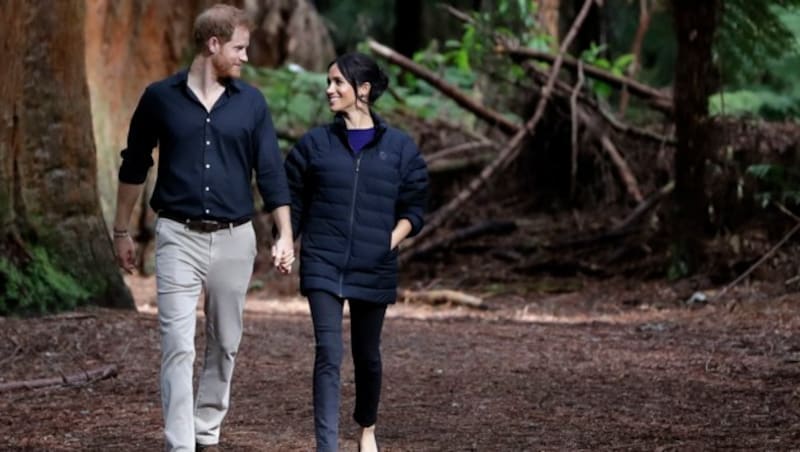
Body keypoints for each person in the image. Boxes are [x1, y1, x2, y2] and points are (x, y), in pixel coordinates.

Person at [111, 4, 294, 451]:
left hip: (235, 238)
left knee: (226, 342)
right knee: (177, 342)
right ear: (213, 45)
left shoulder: (250, 103)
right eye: (239, 48)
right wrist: (120, 231)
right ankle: (181, 442)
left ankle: (206, 429)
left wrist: (284, 233)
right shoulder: (159, 98)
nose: (245, 57)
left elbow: (270, 172)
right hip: (177, 235)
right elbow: (134, 165)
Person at [284, 52, 429, 452]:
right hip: (323, 260)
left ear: (362, 90)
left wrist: (388, 240)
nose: (329, 90)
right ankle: (327, 446)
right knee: (328, 353)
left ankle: (366, 427)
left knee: (367, 356)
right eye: (328, 82)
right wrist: (286, 238)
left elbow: (415, 207)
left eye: (338, 83)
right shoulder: (315, 144)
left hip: (375, 263)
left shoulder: (399, 148)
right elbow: (290, 195)